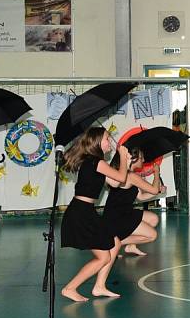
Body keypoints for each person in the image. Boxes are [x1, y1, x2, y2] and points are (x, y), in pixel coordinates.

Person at [60, 127, 131, 302]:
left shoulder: (96, 163)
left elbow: (115, 183)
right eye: (108, 138)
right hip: (81, 212)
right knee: (103, 257)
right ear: (98, 142)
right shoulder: (96, 162)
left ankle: (99, 286)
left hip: (86, 211)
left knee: (114, 243)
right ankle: (70, 288)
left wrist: (126, 163)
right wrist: (122, 156)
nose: (110, 142)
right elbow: (122, 178)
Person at [102, 148, 165, 257]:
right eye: (141, 158)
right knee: (152, 235)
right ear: (133, 159)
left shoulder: (130, 175)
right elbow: (153, 189)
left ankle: (131, 246)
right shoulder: (131, 176)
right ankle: (115, 243)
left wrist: (159, 191)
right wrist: (156, 173)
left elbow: (140, 197)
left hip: (123, 213)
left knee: (153, 219)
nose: (144, 160)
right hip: (117, 218)